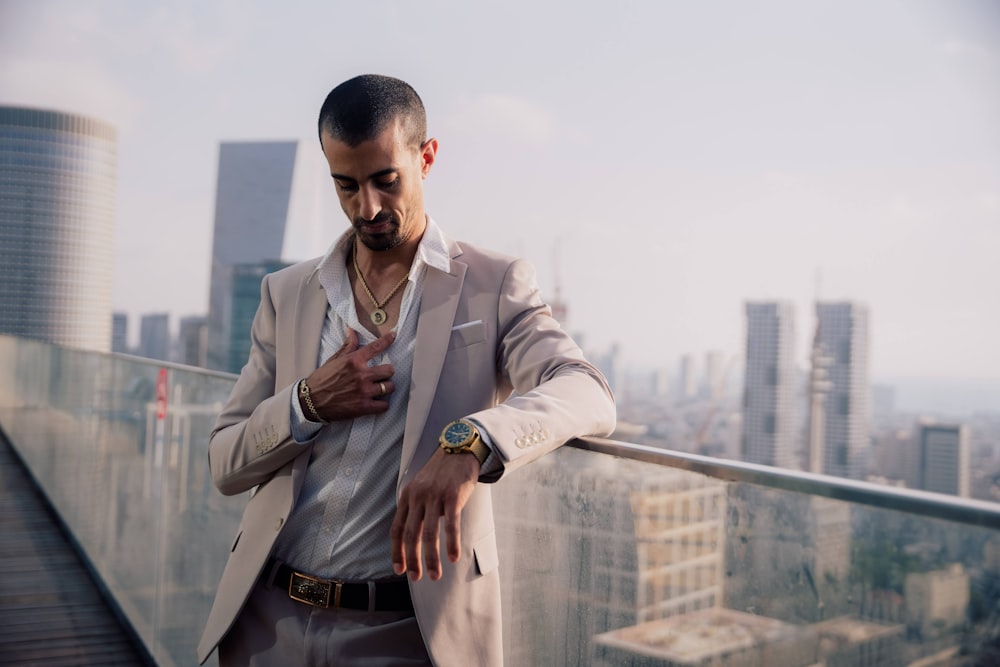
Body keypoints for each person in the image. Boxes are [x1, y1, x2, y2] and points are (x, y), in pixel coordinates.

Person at [196, 74, 616, 667]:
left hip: (406, 633)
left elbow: (587, 390)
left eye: (384, 181)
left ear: (427, 157)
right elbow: (224, 464)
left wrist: (471, 443)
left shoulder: (494, 285)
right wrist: (306, 403)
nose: (366, 207)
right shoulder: (285, 294)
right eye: (345, 185)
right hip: (269, 622)